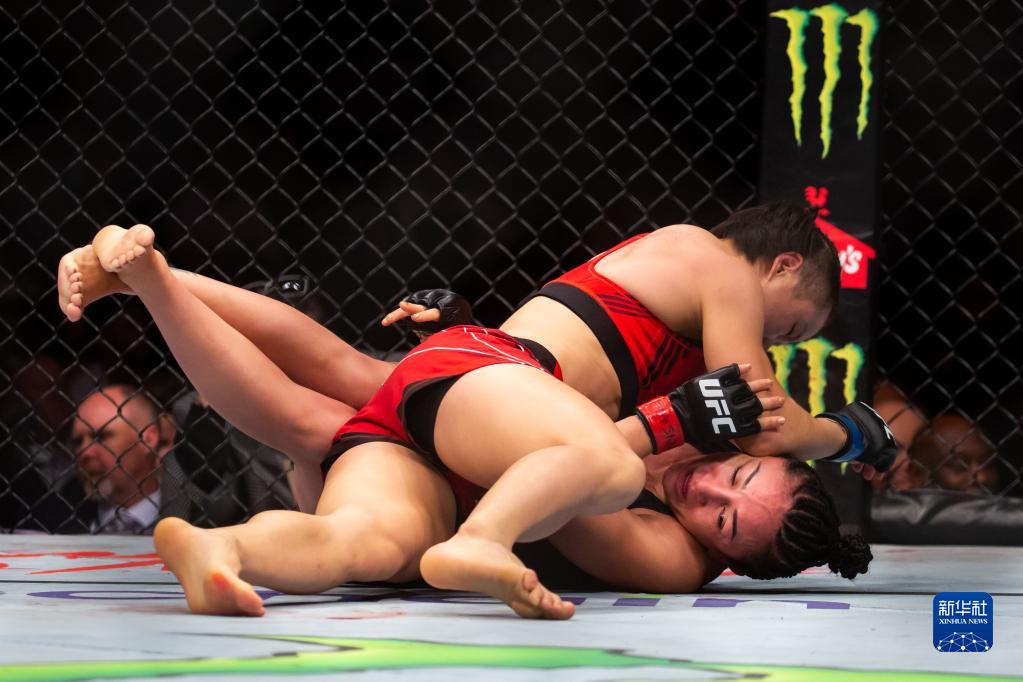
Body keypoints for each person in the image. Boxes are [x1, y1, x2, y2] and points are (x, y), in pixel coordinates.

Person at [56, 204, 892, 618]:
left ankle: (222, 545)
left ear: (727, 560)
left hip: (456, 430)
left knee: (340, 495)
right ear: (782, 267)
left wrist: (683, 423)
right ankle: (479, 540)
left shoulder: (679, 543)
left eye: (725, 521)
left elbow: (740, 425)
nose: (775, 345)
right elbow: (763, 420)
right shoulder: (717, 270)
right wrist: (851, 431)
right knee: (601, 465)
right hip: (491, 381)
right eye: (791, 329)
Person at [69, 384, 166, 533]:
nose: (85, 453)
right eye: (78, 442)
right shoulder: (56, 519)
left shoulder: (191, 515)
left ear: (147, 439)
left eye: (101, 437)